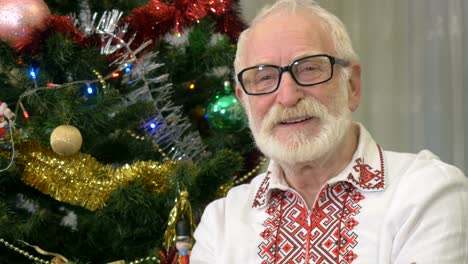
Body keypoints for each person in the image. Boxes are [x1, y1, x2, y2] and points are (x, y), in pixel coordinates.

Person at [190, 0, 468, 263]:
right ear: (244, 100)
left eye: (309, 68)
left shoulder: (427, 192)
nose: (287, 97)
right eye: (264, 77)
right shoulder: (220, 223)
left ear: (352, 86)